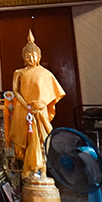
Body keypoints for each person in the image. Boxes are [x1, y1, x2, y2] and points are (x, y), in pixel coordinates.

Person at [9, 31, 65, 179]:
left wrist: (38, 106)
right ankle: (30, 169)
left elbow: (51, 93)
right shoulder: (19, 73)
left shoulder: (45, 73)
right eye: (28, 56)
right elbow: (15, 91)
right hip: (24, 110)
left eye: (34, 56)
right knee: (28, 139)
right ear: (23, 58)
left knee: (42, 140)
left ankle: (43, 170)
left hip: (40, 111)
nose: (31, 59)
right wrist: (27, 105)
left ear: (39, 57)